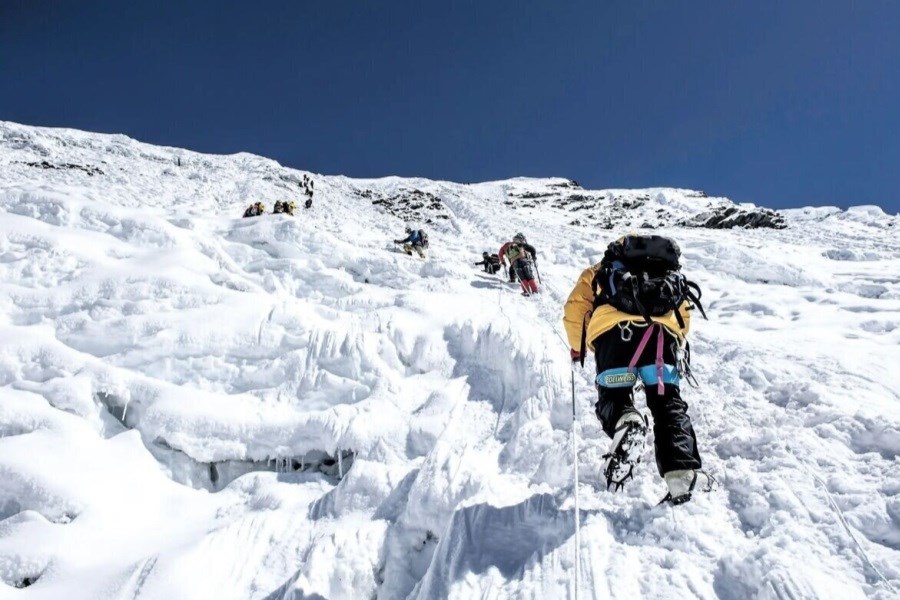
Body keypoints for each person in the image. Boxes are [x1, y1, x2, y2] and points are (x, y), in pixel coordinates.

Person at [563, 234, 713, 504]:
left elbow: (575, 310)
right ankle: (682, 475)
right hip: (660, 339)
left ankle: (626, 421)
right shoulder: (667, 273)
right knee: (668, 403)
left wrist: (578, 347)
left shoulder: (599, 270)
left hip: (614, 336)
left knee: (614, 395)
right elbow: (683, 316)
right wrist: (673, 338)